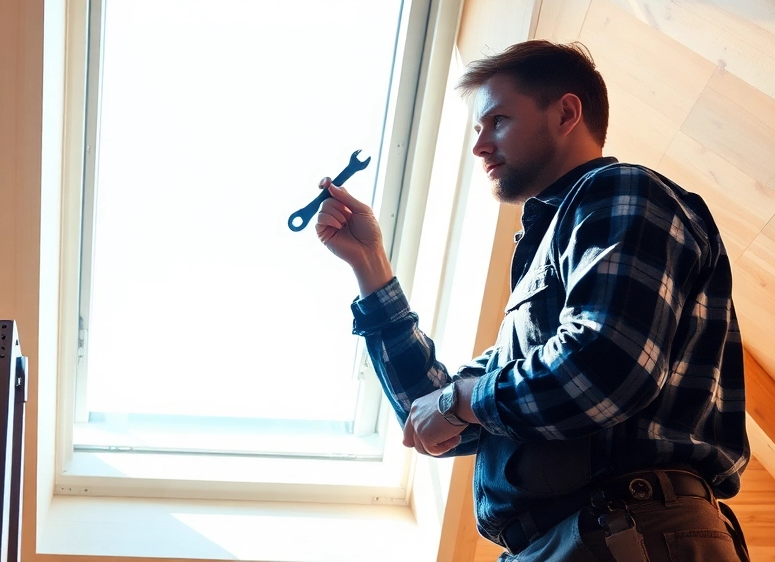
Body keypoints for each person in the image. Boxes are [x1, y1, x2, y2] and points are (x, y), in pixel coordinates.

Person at [314, 41, 750, 562]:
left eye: (497, 120)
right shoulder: (548, 258)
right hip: (573, 538)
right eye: (478, 129)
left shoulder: (621, 191)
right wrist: (370, 264)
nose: (480, 146)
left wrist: (461, 403)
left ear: (566, 112)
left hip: (627, 526)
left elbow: (606, 369)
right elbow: (428, 416)